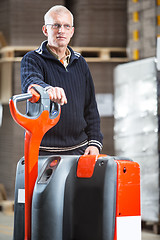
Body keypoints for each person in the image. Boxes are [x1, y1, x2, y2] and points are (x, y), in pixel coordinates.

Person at [21, 5, 103, 155]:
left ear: (72, 31)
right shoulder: (32, 59)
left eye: (66, 26)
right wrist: (47, 90)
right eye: (56, 26)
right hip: (45, 151)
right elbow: (31, 81)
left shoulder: (80, 62)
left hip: (80, 149)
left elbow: (90, 107)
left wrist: (94, 143)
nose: (61, 31)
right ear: (45, 30)